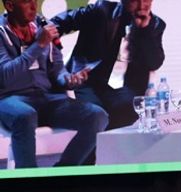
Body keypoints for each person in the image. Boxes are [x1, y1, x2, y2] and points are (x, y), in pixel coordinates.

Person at [0, 0, 108, 168]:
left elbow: (57, 70)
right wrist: (39, 45)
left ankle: (61, 173)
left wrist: (69, 80)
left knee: (97, 116)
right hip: (10, 100)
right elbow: (5, 76)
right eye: (26, 2)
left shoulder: (42, 27)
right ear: (10, 6)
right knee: (25, 115)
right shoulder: (1, 33)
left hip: (45, 99)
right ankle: (29, 182)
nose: (33, 6)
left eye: (34, 0)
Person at [51, 0, 165, 130]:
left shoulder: (155, 25)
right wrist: (52, 55)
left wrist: (145, 30)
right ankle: (95, 147)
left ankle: (105, 146)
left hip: (125, 86)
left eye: (146, 0)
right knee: (95, 113)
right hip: (89, 80)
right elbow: (56, 24)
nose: (141, 5)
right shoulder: (102, 10)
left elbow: (154, 62)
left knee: (129, 108)